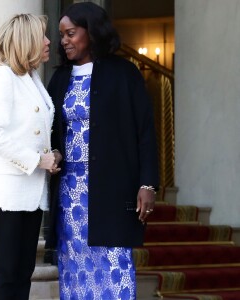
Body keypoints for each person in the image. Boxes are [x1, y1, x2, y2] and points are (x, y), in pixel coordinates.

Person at [45, 2, 159, 299]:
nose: (64, 41)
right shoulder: (59, 78)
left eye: (70, 33)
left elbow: (145, 132)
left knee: (114, 266)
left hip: (112, 190)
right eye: (61, 35)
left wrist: (147, 183)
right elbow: (48, 131)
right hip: (70, 195)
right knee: (74, 270)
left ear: (91, 32)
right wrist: (52, 152)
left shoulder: (125, 74)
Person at [0, 14, 62, 300]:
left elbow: (32, 132)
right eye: (43, 36)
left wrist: (51, 155)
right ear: (27, 41)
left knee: (22, 273)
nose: (50, 41)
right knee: (7, 274)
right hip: (9, 193)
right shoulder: (3, 76)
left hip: (31, 192)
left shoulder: (31, 78)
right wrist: (39, 161)